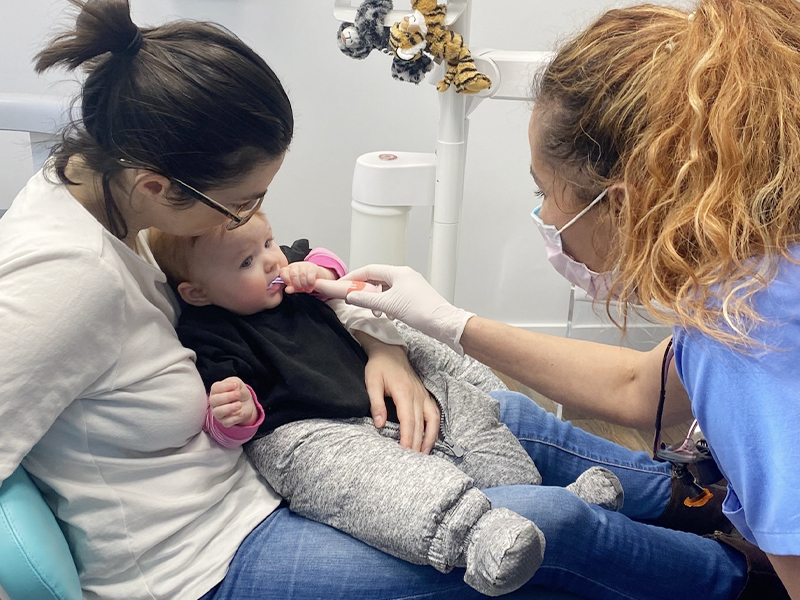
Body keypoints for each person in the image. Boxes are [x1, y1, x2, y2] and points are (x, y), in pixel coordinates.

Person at [0, 0, 758, 599]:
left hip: (267, 485)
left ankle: (690, 508)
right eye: (243, 204)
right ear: (158, 185)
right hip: (209, 560)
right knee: (548, 524)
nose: (253, 225)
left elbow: (299, 293)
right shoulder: (65, 280)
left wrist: (383, 345)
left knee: (501, 412)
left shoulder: (126, 213)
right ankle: (742, 582)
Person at [343, 0, 800, 598]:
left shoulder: (746, 338)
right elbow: (639, 387)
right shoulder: (761, 270)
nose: (544, 215)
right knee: (511, 416)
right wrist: (449, 322)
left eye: (544, 190)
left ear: (622, 202)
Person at [148, 211, 628, 596]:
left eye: (269, 243)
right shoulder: (210, 333)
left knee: (475, 428)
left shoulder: (290, 280)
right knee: (383, 487)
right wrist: (236, 412)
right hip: (309, 431)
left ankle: (553, 507)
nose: (272, 262)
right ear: (197, 292)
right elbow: (230, 420)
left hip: (373, 401)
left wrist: (319, 271)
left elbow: (330, 264)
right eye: (246, 263)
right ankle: (475, 537)